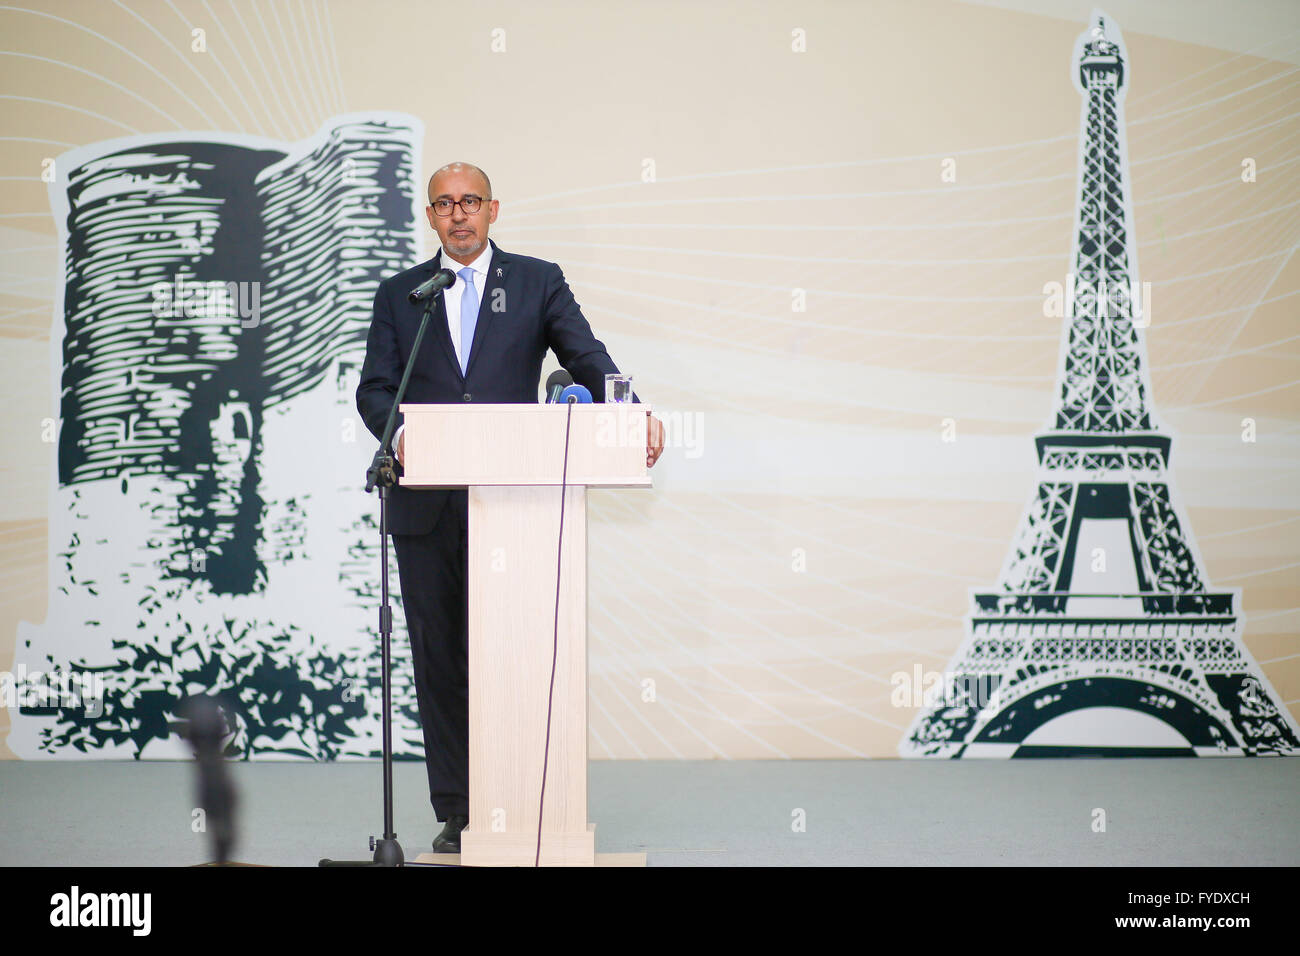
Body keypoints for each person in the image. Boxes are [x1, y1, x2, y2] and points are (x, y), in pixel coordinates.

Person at [356, 162, 664, 853]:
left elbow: (586, 355)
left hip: (517, 505)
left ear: (493, 210)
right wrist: (407, 435)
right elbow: (375, 390)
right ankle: (461, 808)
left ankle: (530, 797)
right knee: (441, 659)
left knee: (517, 652)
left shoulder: (536, 281)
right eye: (444, 204)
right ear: (430, 216)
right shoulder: (402, 293)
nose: (458, 214)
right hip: (427, 501)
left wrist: (631, 410)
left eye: (470, 202)